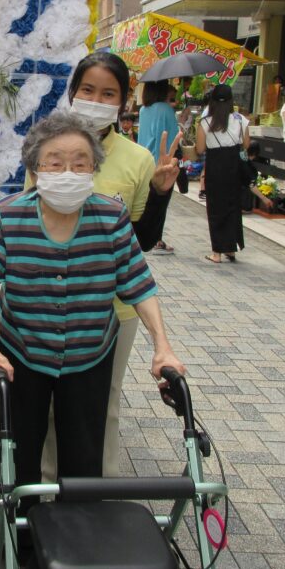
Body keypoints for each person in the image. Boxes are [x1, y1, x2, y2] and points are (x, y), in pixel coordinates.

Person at [0, 112, 185, 563]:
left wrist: (162, 345)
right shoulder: (9, 217)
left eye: (80, 162)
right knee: (20, 455)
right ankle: (21, 546)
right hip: (22, 354)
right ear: (34, 168)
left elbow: (138, 284)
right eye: (54, 162)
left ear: (94, 168)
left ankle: (83, 548)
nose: (68, 172)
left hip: (90, 353)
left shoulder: (109, 216)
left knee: (83, 457)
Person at [35, 51, 179, 483]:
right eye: (88, 90)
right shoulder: (46, 144)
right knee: (47, 407)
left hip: (113, 312)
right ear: (73, 92)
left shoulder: (138, 159)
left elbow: (140, 244)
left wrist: (159, 194)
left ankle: (97, 495)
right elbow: (28, 221)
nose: (96, 99)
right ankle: (43, 496)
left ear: (123, 100)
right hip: (47, 309)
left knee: (105, 405)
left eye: (108, 93)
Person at [195, 84, 251, 263]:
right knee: (233, 206)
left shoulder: (205, 122)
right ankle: (231, 249)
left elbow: (200, 148)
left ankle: (216, 253)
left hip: (215, 165)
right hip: (234, 165)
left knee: (215, 207)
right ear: (230, 101)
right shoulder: (241, 119)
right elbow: (246, 144)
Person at [138, 80, 180, 254]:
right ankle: (157, 239)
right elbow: (168, 137)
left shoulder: (143, 109)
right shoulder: (165, 109)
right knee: (160, 203)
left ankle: (154, 238)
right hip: (162, 165)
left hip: (143, 162)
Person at [241, 142, 274, 213]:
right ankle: (244, 207)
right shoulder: (248, 166)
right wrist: (264, 198)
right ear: (255, 154)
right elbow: (251, 185)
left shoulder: (239, 155)